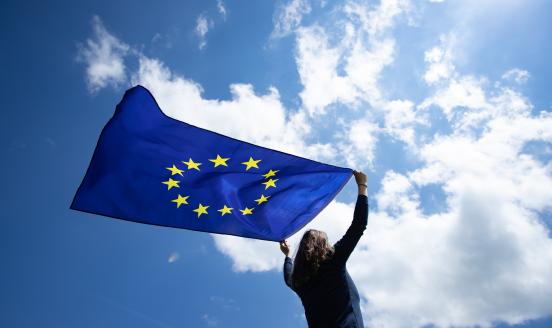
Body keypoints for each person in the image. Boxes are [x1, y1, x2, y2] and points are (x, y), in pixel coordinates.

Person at [279, 170, 368, 328]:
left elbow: (288, 278)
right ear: (323, 245)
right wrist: (362, 185)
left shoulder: (300, 282)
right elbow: (358, 226)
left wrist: (288, 258)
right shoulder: (333, 260)